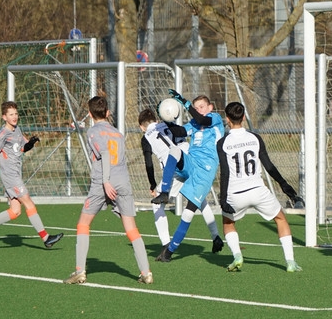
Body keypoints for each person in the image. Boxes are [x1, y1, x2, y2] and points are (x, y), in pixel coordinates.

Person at [64, 95, 152, 285]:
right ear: (108, 113)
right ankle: (146, 273)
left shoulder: (93, 132)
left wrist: (105, 182)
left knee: (83, 224)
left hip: (104, 183)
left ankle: (79, 271)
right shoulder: (118, 134)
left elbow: (104, 154)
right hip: (123, 181)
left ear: (90, 114)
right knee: (132, 229)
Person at [216, 101, 304, 272]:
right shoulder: (255, 138)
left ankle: (237, 256)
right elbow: (269, 167)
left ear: (227, 119)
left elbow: (225, 173)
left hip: (235, 193)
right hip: (258, 190)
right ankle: (290, 262)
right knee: (280, 219)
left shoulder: (222, 143)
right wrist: (286, 188)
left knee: (228, 223)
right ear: (243, 117)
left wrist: (223, 199)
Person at [0, 101, 63, 250]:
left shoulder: (17, 130)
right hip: (10, 176)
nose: (14, 117)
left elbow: (22, 148)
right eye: (11, 114)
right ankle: (46, 238)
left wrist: (31, 143)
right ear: (4, 117)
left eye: (16, 113)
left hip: (15, 174)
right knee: (29, 203)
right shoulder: (3, 134)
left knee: (15, 211)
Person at [151, 91, 226, 262]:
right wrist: (165, 118)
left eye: (202, 107)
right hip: (192, 163)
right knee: (175, 150)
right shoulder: (194, 123)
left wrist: (186, 104)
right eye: (196, 107)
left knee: (188, 212)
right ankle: (164, 192)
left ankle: (169, 252)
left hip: (205, 172)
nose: (199, 110)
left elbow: (202, 120)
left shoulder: (214, 119)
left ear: (210, 107)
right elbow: (178, 132)